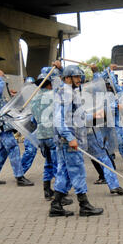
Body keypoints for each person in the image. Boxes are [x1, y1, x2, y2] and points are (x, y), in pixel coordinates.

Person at [49, 65, 104, 217]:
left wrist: (92, 116)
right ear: (68, 78)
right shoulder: (65, 93)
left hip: (68, 140)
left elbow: (76, 116)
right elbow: (59, 119)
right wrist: (70, 137)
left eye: (80, 77)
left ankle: (56, 205)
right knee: (78, 171)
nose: (80, 80)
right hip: (69, 142)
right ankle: (84, 205)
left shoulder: (69, 92)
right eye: (76, 77)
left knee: (64, 172)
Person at [0, 71, 34, 186]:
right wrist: (0, 77)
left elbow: (10, 106)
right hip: (1, 128)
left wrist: (13, 97)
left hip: (5, 127)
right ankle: (19, 177)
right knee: (13, 148)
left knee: (3, 151)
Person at [30, 70, 72, 204]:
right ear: (49, 84)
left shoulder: (34, 98)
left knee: (48, 163)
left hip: (41, 135)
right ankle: (60, 194)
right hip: (52, 134)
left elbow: (33, 120)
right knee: (59, 165)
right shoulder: (53, 95)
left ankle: (47, 190)